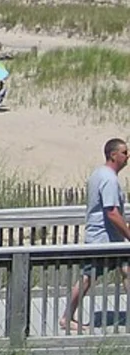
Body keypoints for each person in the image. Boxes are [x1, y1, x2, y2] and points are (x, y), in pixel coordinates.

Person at [62, 138, 130, 333]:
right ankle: (66, 317)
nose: (128, 157)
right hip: (103, 240)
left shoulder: (98, 174)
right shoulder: (108, 179)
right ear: (113, 155)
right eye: (124, 153)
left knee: (126, 270)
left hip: (110, 239)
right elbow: (112, 212)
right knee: (87, 277)